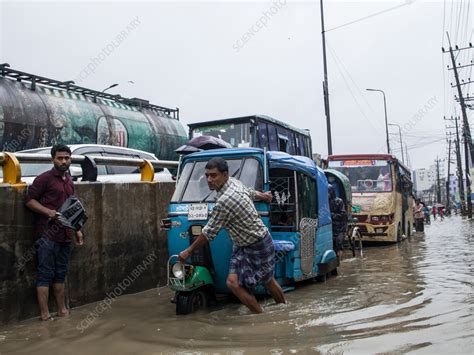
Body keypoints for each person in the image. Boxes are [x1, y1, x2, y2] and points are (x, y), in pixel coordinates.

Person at [178, 157, 285, 314]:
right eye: (207, 175)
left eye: (213, 175)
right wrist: (263, 196)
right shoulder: (234, 182)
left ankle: (278, 309)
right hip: (240, 243)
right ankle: (259, 314)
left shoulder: (225, 200)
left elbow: (209, 232)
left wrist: (188, 251)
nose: (209, 180)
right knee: (232, 283)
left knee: (268, 281)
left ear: (225, 175)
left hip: (258, 242)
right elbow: (248, 192)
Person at [25, 144, 84, 321]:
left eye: (66, 158)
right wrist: (48, 211)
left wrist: (78, 230)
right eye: (60, 158)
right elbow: (28, 200)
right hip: (47, 236)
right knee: (45, 274)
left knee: (60, 274)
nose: (64, 161)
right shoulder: (44, 179)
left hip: (65, 235)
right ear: (53, 159)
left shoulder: (69, 180)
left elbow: (72, 207)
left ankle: (62, 311)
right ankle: (44, 315)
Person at [328, 184, 347, 260]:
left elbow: (343, 214)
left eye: (328, 192)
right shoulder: (324, 202)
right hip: (330, 226)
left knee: (339, 244)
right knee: (331, 244)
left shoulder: (339, 201)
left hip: (339, 227)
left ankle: (339, 261)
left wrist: (331, 215)